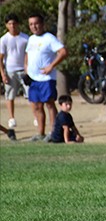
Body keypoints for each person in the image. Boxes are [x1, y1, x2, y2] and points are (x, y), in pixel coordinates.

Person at [23, 14, 67, 143]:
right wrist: (26, 66)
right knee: (36, 106)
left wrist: (51, 66)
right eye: (31, 24)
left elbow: (63, 52)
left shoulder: (49, 38)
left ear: (42, 24)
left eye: (36, 23)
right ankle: (40, 133)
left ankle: (53, 133)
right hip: (33, 79)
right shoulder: (31, 39)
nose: (34, 26)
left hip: (46, 78)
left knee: (49, 104)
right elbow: (27, 53)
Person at [1, 13, 29, 130]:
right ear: (7, 25)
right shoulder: (3, 40)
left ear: (18, 24)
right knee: (10, 95)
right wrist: (3, 74)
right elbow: (0, 58)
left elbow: (28, 54)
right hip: (10, 71)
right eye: (10, 24)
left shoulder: (25, 38)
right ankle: (11, 118)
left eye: (14, 23)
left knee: (30, 94)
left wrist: (28, 69)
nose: (12, 26)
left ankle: (36, 117)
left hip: (24, 70)